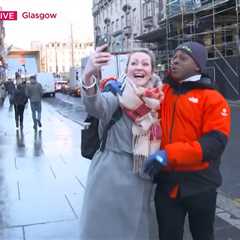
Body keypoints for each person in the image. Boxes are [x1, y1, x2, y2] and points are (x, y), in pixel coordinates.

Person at [144, 41, 231, 240]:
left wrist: (169, 154)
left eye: (183, 58)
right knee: (168, 235)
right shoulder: (163, 92)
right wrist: (112, 84)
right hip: (167, 185)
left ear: (197, 65)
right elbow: (137, 90)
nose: (174, 61)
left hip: (201, 185)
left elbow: (215, 143)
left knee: (203, 235)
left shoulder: (213, 98)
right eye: (174, 57)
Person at [79, 45, 163, 240]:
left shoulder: (161, 99)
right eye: (133, 63)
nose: (139, 67)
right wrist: (88, 74)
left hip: (143, 172)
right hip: (110, 172)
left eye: (145, 63)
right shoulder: (116, 94)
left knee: (136, 231)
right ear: (126, 70)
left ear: (152, 70)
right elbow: (95, 105)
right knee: (105, 231)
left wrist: (164, 152)